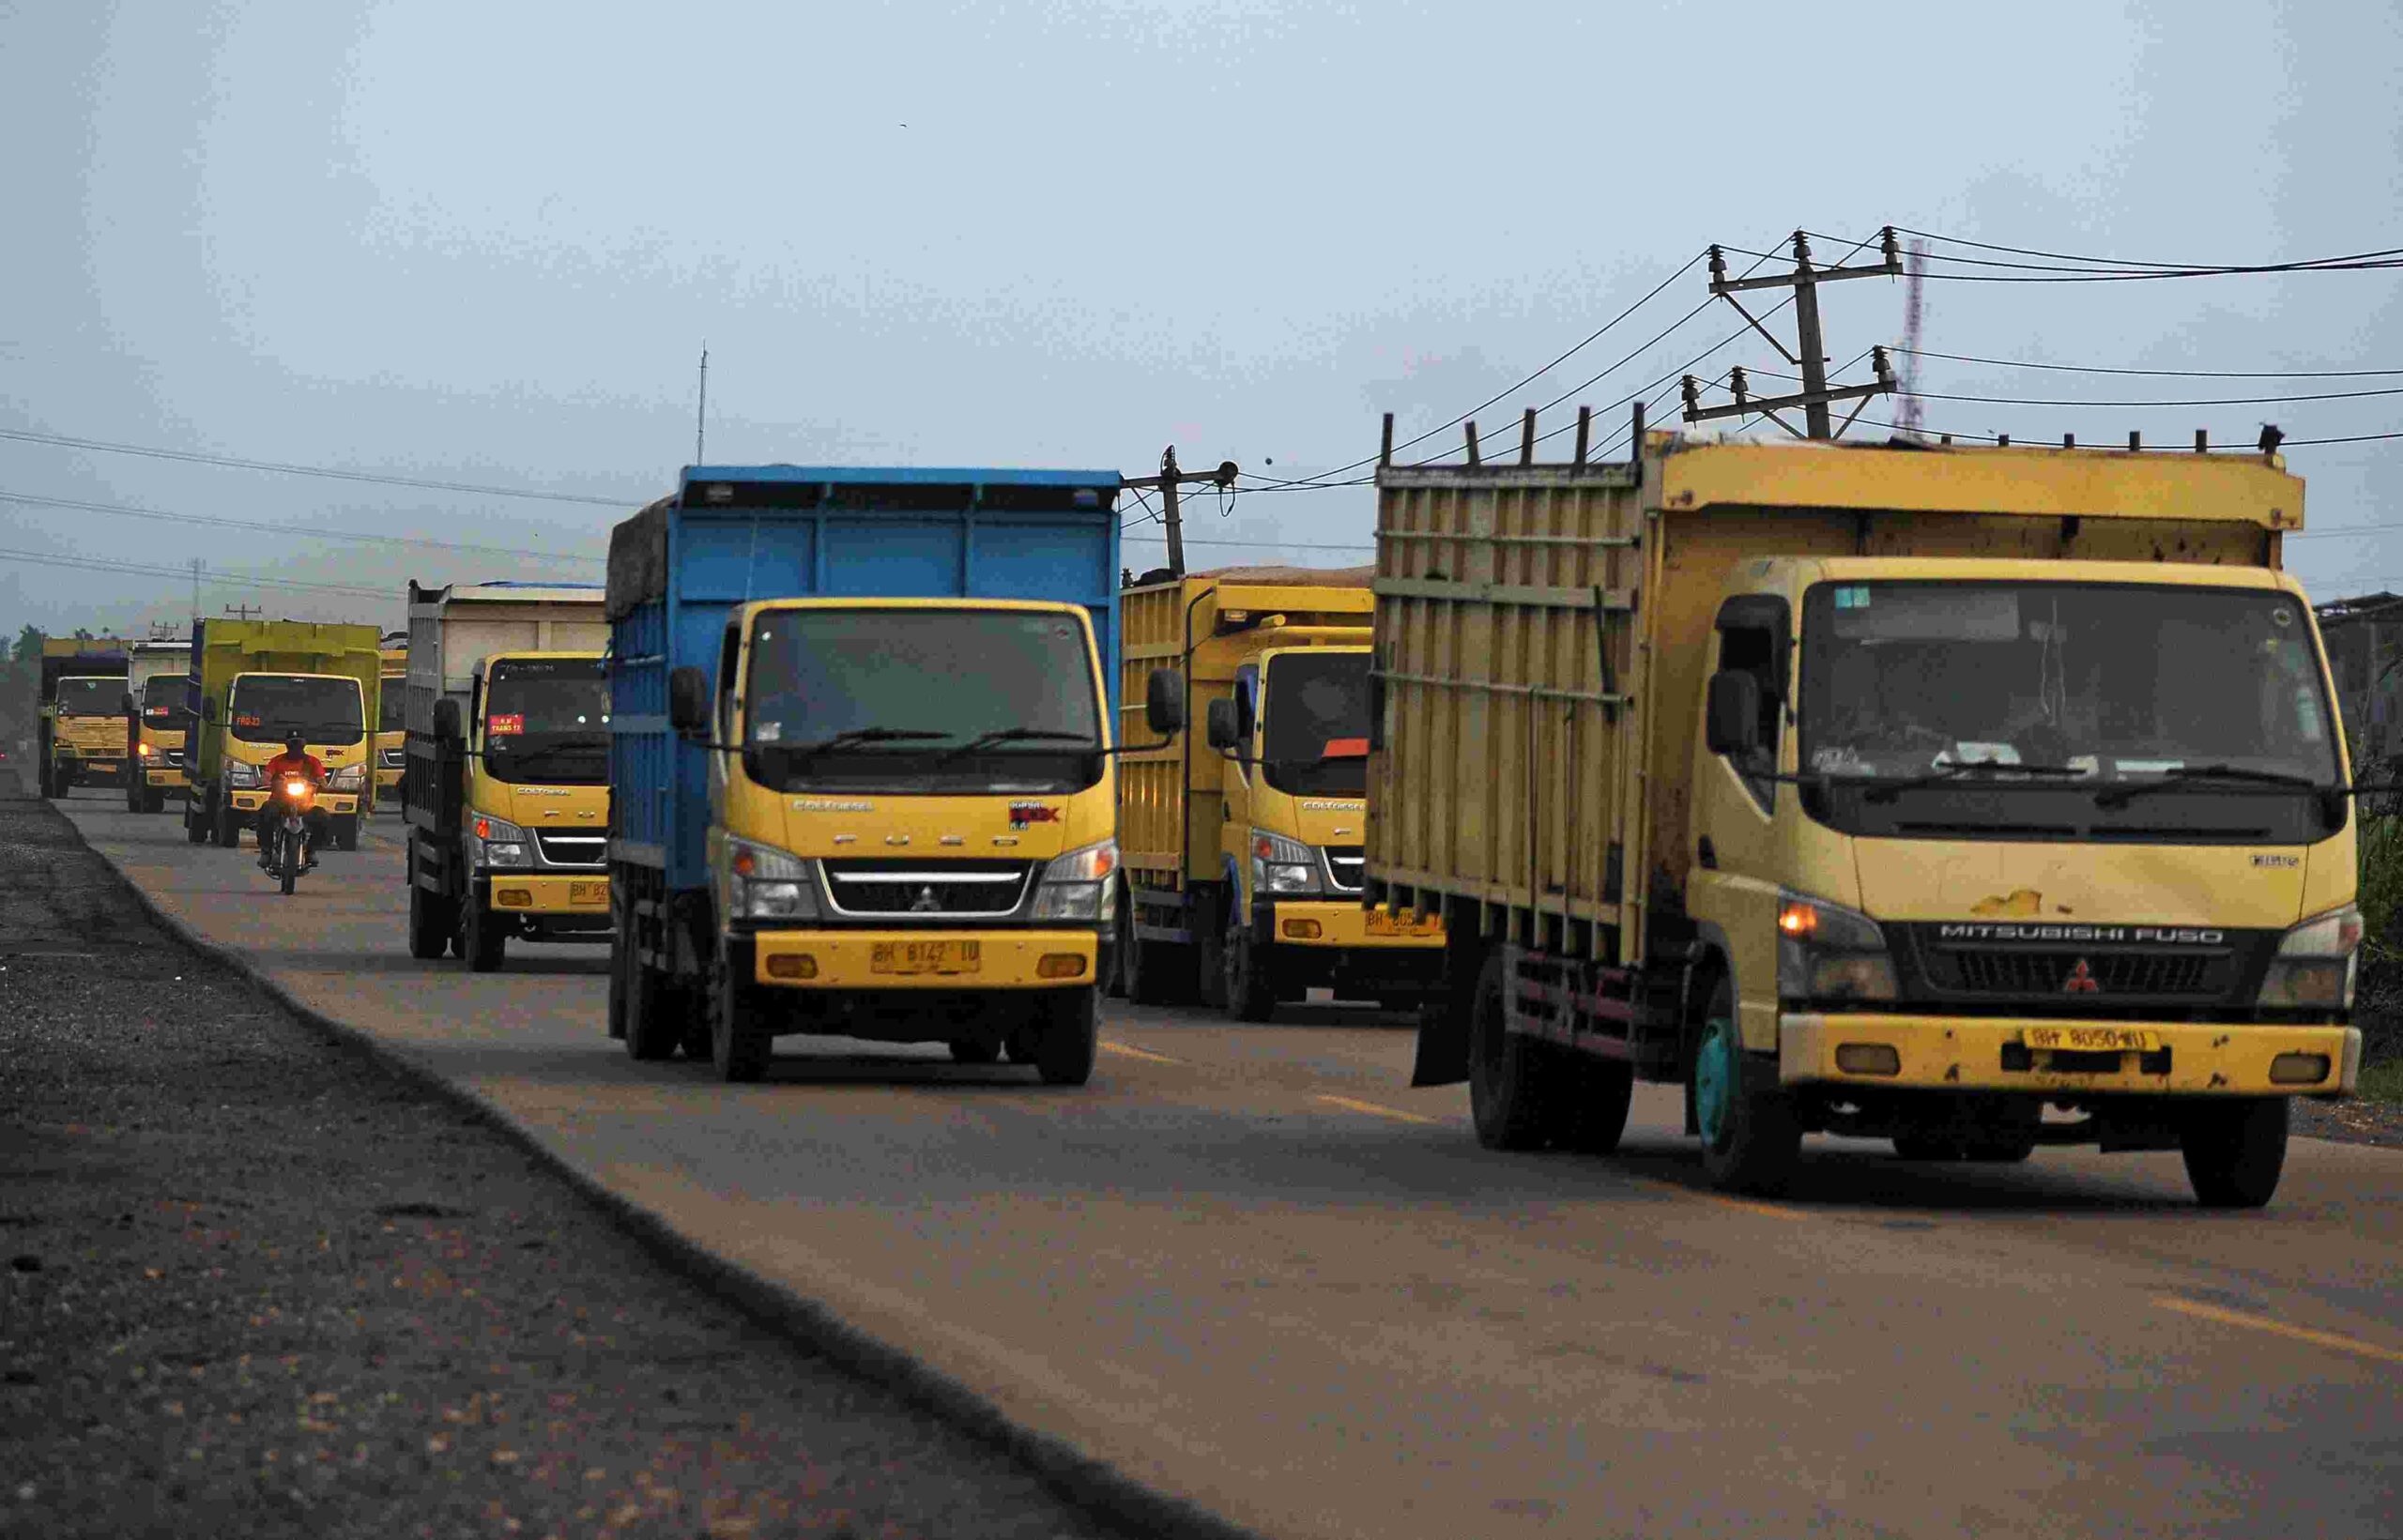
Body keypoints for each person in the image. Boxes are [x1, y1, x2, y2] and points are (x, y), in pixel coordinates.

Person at [256, 730, 329, 871]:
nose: (295, 748)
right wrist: (270, 781)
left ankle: (311, 851)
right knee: (266, 811)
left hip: (304, 805)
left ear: (304, 746)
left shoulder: (312, 762)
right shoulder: (277, 760)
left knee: (323, 816)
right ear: (287, 746)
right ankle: (266, 851)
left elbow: (322, 780)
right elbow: (265, 777)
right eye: (292, 745)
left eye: (298, 745)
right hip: (280, 803)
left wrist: (321, 785)